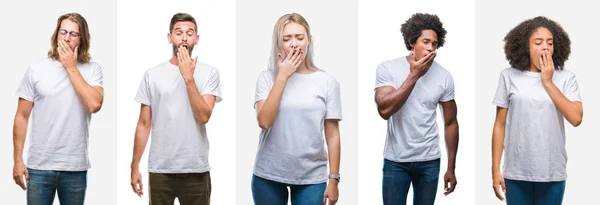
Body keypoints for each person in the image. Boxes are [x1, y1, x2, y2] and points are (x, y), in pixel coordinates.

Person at [129, 13, 222, 205]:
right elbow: (144, 124)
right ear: (170, 37)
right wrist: (134, 166)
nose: (184, 37)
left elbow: (203, 116)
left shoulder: (209, 72)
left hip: (195, 169)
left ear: (197, 38)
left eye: (190, 33)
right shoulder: (152, 75)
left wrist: (189, 78)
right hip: (160, 170)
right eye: (179, 32)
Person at [12, 12, 103, 205]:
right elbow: (21, 116)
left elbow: (95, 104)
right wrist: (18, 160)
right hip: (39, 167)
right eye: (63, 32)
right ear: (56, 34)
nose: (67, 37)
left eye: (73, 34)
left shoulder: (92, 69)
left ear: (82, 38)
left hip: (75, 167)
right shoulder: (36, 69)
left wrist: (71, 67)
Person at [251, 13, 341, 205]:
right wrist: (282, 76)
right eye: (287, 38)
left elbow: (332, 135)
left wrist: (334, 178)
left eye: (299, 37)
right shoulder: (266, 78)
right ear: (279, 43)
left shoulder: (327, 82)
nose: (294, 44)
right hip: (268, 175)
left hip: (312, 177)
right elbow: (264, 121)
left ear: (309, 40)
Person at [491, 16, 582, 205]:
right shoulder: (508, 76)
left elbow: (576, 118)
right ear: (526, 47)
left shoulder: (566, 78)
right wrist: (495, 170)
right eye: (538, 42)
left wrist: (547, 81)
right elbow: (499, 125)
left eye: (550, 43)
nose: (545, 47)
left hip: (552, 172)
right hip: (516, 172)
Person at [374, 13, 459, 205]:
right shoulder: (388, 68)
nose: (430, 48)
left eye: (435, 44)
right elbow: (384, 111)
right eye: (426, 41)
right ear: (412, 41)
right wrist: (414, 75)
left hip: (429, 161)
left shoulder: (444, 76)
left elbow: (451, 122)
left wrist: (451, 167)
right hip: (396, 161)